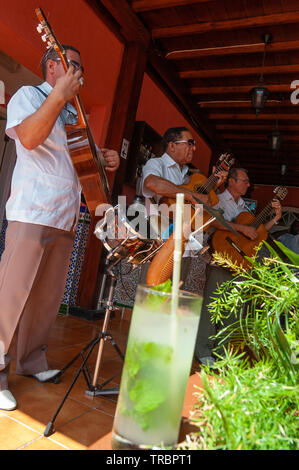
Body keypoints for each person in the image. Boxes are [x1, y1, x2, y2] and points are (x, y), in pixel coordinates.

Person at [0, 45, 120, 411]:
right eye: (75, 66)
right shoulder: (29, 95)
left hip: (66, 216)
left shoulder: (74, 113)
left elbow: (82, 160)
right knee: (12, 294)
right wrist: (57, 95)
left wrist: (105, 158)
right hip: (32, 211)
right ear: (53, 66)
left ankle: (32, 360)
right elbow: (31, 138)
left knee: (48, 297)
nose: (81, 74)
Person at [194, 167, 282, 367]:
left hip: (241, 262)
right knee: (212, 305)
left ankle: (223, 352)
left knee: (234, 309)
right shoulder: (217, 198)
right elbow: (212, 222)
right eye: (244, 180)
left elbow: (256, 232)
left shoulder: (245, 207)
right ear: (231, 181)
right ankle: (203, 350)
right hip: (221, 256)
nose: (248, 184)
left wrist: (275, 217)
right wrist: (241, 228)